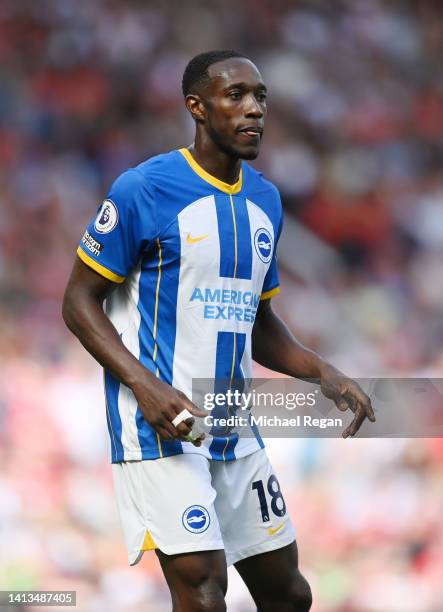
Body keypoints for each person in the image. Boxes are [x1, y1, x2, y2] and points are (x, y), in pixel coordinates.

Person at [63, 50, 375, 612]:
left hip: (235, 425)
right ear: (197, 108)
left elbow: (258, 324)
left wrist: (321, 371)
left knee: (289, 594)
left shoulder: (266, 201)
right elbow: (78, 302)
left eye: (260, 97)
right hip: (160, 427)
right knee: (205, 593)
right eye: (236, 96)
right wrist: (144, 385)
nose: (253, 109)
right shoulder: (144, 188)